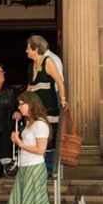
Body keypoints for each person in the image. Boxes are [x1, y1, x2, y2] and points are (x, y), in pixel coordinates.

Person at [0, 92, 53, 204]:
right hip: (25, 167)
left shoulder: (40, 124)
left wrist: (20, 143)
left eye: (22, 103)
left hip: (35, 168)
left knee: (38, 202)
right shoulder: (30, 123)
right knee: (18, 201)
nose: (19, 106)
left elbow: (40, 149)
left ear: (31, 104)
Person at [26, 35, 66, 177]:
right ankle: (39, 168)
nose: (26, 51)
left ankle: (49, 169)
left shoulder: (48, 62)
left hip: (49, 106)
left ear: (36, 49)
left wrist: (63, 99)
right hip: (36, 109)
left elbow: (60, 81)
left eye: (28, 48)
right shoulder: (31, 66)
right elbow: (29, 88)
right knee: (36, 137)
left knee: (48, 138)